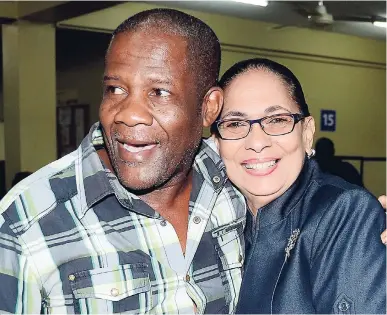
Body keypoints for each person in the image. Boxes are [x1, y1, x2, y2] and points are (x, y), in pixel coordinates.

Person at [0, 9, 246, 314]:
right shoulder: (25, 224)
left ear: (209, 107)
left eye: (159, 92)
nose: (128, 113)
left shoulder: (235, 190)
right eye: (115, 89)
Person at [210, 58, 386, 314]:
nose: (257, 142)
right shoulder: (212, 219)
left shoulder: (345, 213)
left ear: (306, 133)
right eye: (235, 124)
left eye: (277, 119)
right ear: (216, 142)